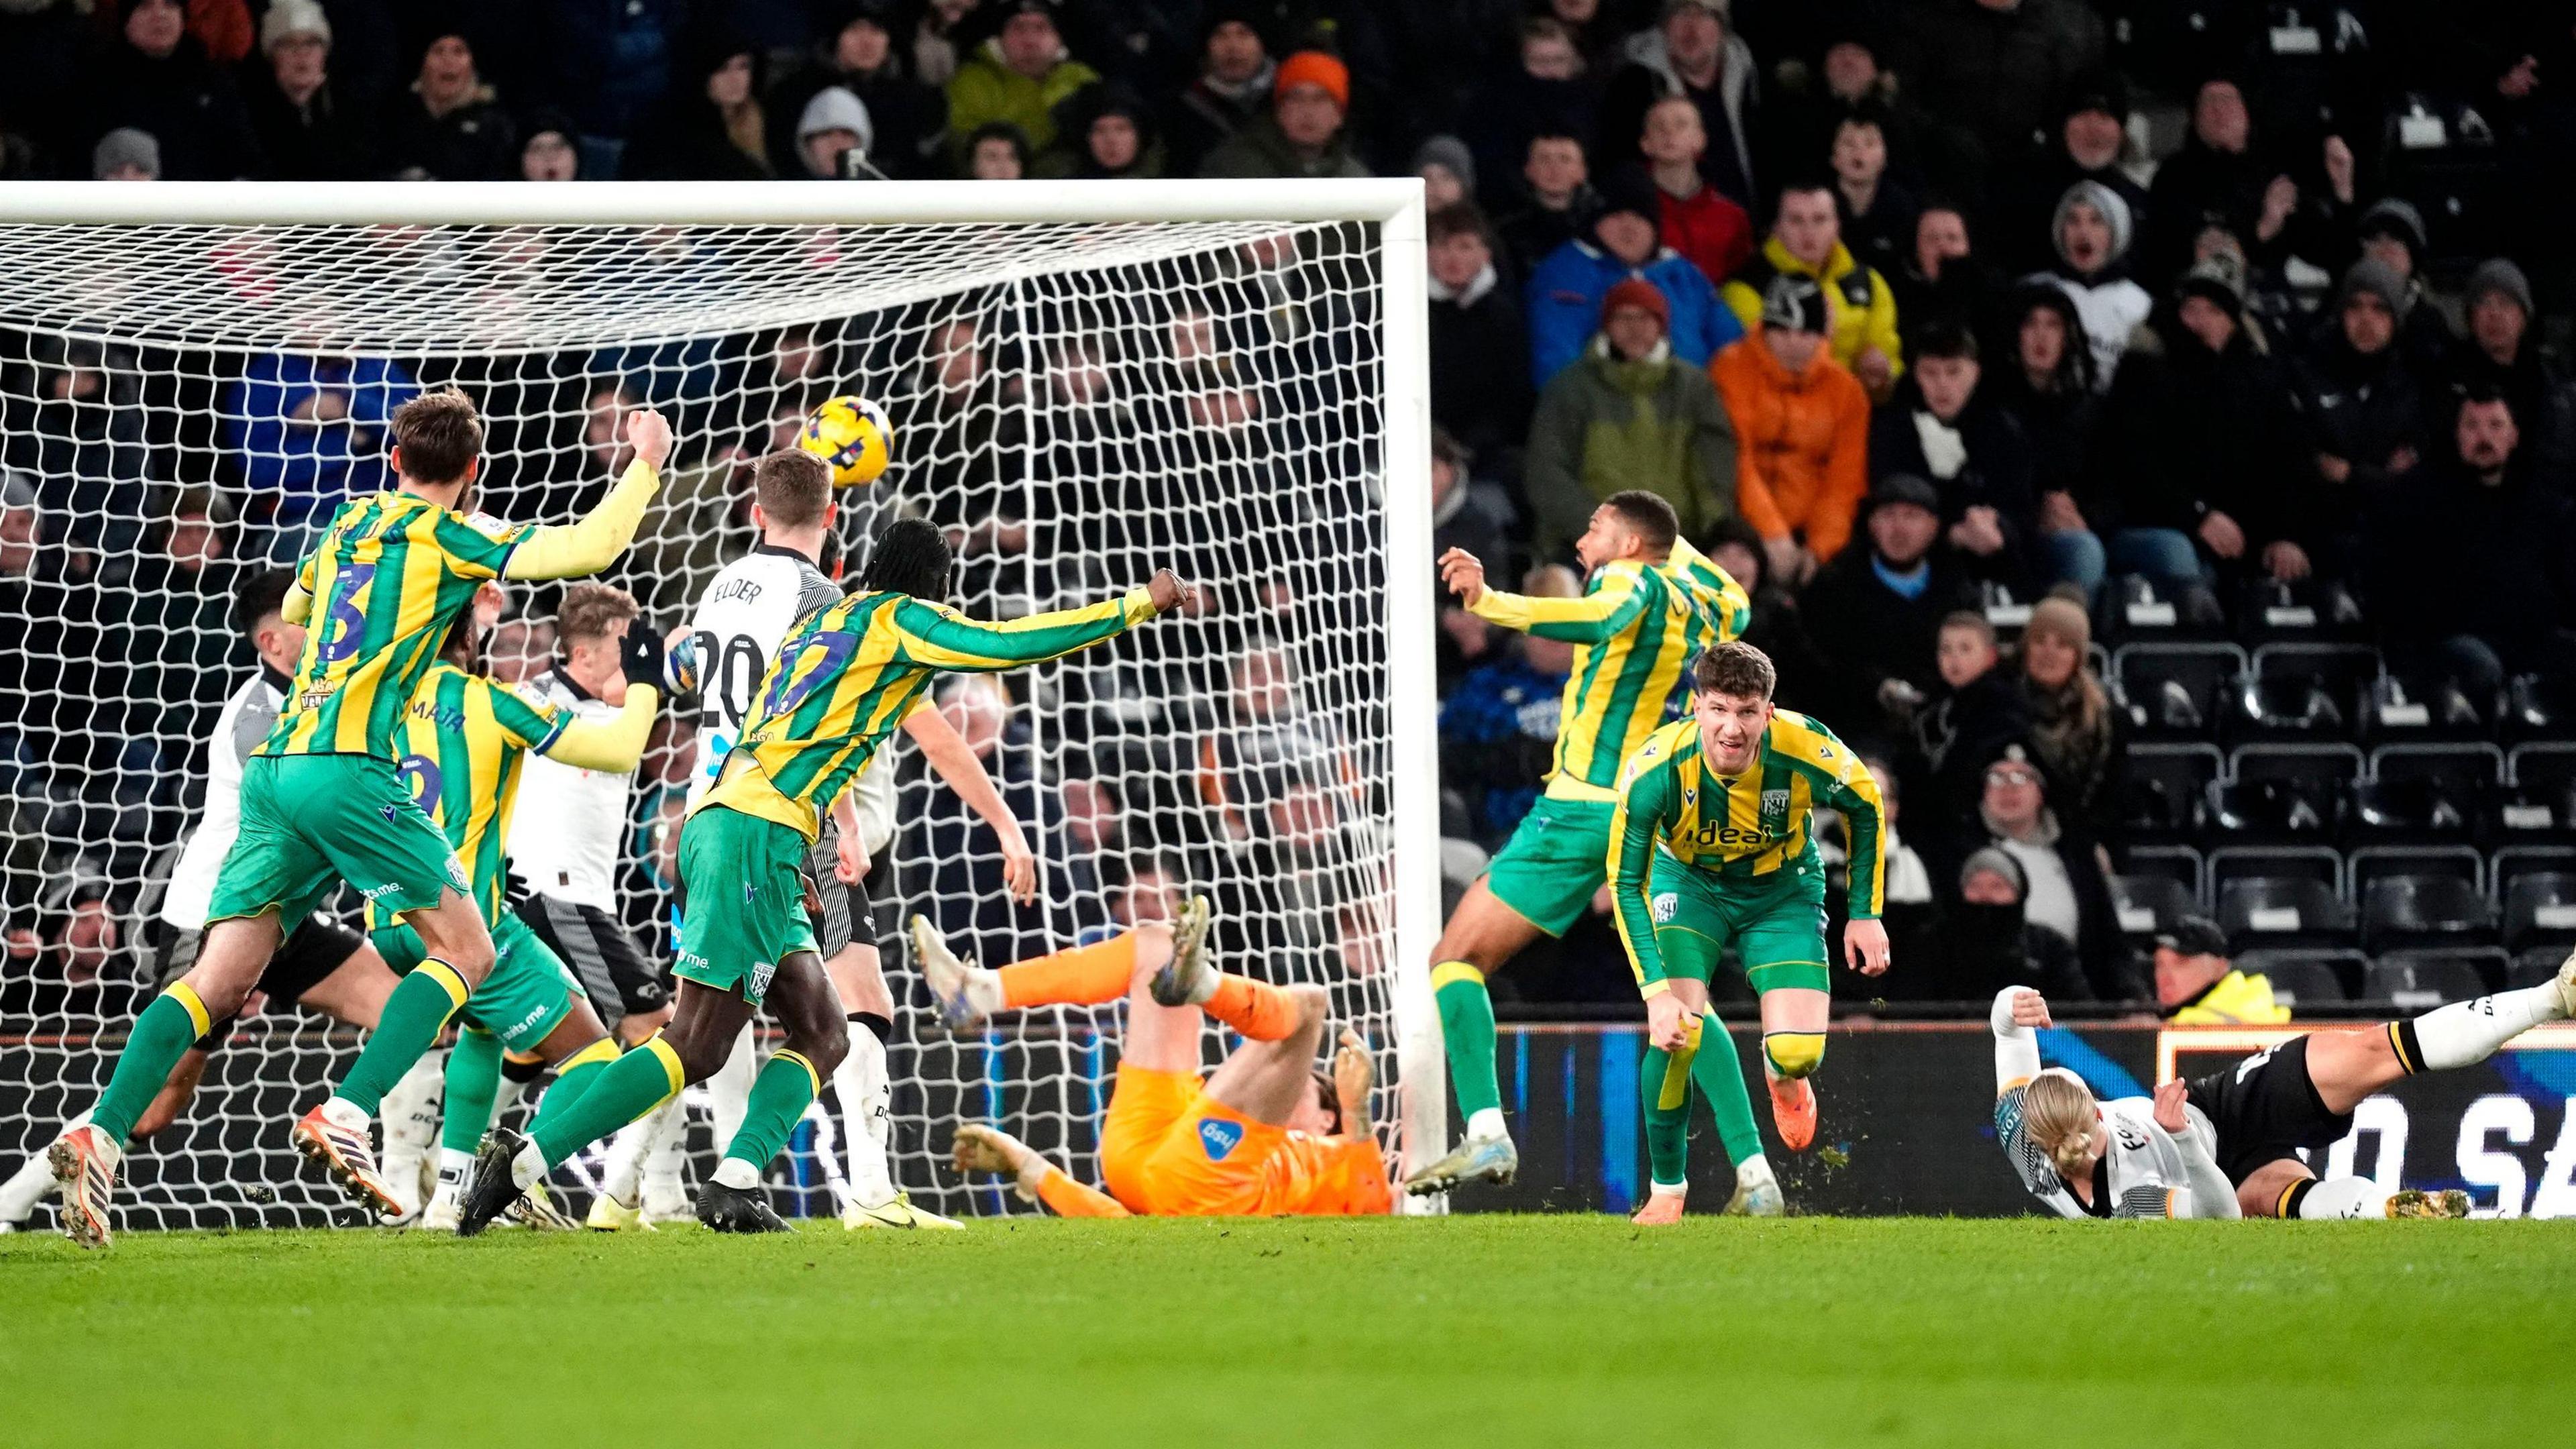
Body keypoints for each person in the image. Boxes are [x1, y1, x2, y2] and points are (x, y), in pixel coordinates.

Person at [47, 388, 673, 1249]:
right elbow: (598, 543)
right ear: (473, 472)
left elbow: (300, 612)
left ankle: (102, 1131)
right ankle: (347, 1109)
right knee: (471, 949)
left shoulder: (344, 523)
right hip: (349, 772)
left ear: (392, 462)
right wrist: (645, 458)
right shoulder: (455, 537)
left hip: (277, 772)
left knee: (218, 983)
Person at [453, 521, 1191, 1234]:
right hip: (754, 833)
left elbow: (778, 731)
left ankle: (734, 1184)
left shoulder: (822, 632)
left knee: (824, 1030)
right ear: (931, 590)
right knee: (696, 1045)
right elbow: (1004, 645)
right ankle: (524, 1163)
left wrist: (797, 846)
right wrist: (1136, 605)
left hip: (746, 827)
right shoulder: (898, 622)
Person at [598, 452, 1035, 1232]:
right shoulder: (835, 608)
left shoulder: (721, 586)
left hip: (706, 815)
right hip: (796, 825)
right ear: (832, 517)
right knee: (856, 1004)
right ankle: (865, 1190)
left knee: (703, 1026)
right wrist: (854, 827)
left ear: (755, 511)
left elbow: (693, 681)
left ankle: (623, 1184)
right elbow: (894, 731)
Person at [0, 570, 409, 1232]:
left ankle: (413, 1196)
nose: (326, 626)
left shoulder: (319, 697)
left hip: (287, 914)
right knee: (162, 1105)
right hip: (216, 914)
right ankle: (16, 1200)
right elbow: (316, 816)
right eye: (309, 617)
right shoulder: (258, 719)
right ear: (274, 641)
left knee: (412, 1014)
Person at [1406, 492, 1748, 1195]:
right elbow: (1738, 605)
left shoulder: (1626, 580)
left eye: (1596, 527)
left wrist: (1491, 601)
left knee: (1456, 959)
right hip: (1661, 813)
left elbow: (1603, 615)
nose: (1583, 537)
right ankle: (1756, 1173)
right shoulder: (1708, 598)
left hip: (1583, 809)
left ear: (1630, 540)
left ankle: (1487, 1135)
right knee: (1687, 997)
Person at [384, 594, 665, 1231]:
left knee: (499, 1037)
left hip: (426, 907)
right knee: (638, 1037)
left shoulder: (409, 699)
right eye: (626, 643)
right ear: (586, 652)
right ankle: (557, 1180)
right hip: (545, 896)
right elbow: (621, 742)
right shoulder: (526, 700)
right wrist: (649, 679)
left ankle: (446, 1184)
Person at [1612, 643, 1890, 1224]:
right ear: (1694, 708)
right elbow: (1625, 881)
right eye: (1718, 709)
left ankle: (1782, 1074)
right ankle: (1668, 1191)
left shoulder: (1806, 749)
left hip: (1781, 893)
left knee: (1797, 1053)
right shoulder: (1655, 770)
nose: (1731, 729)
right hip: (1688, 887)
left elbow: (1865, 804)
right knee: (1675, 1034)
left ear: (1769, 711)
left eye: (1746, 711)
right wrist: (1656, 995)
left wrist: (1864, 912)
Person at [1987, 965, 2576, 1217]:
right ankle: (2554, 995)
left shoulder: (2021, 1132)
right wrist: (2185, 1144)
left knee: (2361, 1055)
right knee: (2273, 1200)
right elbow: (2217, 1219)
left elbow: (2006, 1028)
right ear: (2094, 1108)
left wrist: (2012, 1001)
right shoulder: (2130, 1204)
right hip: (2203, 1152)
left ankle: (2557, 996)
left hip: (2220, 1114)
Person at [925, 904, 1391, 1218]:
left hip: (1209, 1182)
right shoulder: (1253, 1133)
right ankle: (976, 992)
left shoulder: (1331, 1158)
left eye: (1299, 1081)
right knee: (1157, 945)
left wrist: (1357, 1112)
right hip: (1150, 1150)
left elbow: (1378, 1206)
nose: (1282, 1079)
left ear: (1326, 1115)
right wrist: (1030, 1168)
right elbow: (1132, 1233)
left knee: (1309, 1007)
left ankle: (1204, 986)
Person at [2371, 389, 2576, 708]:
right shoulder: (2420, 500)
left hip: (2529, 635)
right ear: (2457, 436)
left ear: (2514, 436)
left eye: (2495, 426)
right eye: (2472, 426)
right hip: (2451, 637)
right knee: (2479, 667)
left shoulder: (2544, 504)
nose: (2484, 437)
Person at [1523, 278, 1739, 557]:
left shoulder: (1693, 388)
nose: (1634, 328)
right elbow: (1547, 475)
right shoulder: (1569, 389)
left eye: (1644, 318)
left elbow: (1714, 473)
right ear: (1607, 325)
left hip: (1676, 548)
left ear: (1661, 325)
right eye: (1623, 318)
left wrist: (1713, 537)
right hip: (1588, 550)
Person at [1710, 275, 1871, 586]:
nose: (1794, 342)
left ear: (1821, 335)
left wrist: (1820, 547)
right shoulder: (1730, 369)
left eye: (1805, 332)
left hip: (1811, 531)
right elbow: (1736, 459)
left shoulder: (1846, 390)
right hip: (1742, 526)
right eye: (1782, 331)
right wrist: (1771, 534)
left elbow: (1845, 481)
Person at [1523, 170, 1740, 388]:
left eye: (1640, 218)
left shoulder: (1684, 275)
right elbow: (1556, 363)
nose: (1629, 227)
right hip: (1604, 412)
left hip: (1690, 407)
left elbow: (1733, 348)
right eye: (1617, 216)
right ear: (1595, 222)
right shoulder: (1564, 274)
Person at [1800, 474, 1978, 733]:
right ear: (1872, 524)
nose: (1900, 528)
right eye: (1889, 515)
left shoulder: (1958, 590)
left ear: (1934, 527)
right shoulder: (1834, 586)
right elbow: (1819, 667)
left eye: (1912, 516)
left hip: (1942, 724)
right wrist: (1877, 688)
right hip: (1853, 726)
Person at [2286, 260, 2428, 584]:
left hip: (2390, 544)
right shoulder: (2304, 377)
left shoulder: (2411, 390)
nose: (2366, 320)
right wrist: (2377, 477)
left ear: (2395, 321)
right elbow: (2299, 466)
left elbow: (2412, 488)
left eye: (2379, 309)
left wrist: (2349, 473)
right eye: (2356, 307)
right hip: (2315, 538)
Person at [1868, 323, 2037, 594]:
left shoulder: (2003, 431)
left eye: (1954, 372)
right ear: (1916, 375)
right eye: (1931, 373)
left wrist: (1997, 528)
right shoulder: (1894, 431)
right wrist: (1952, 534)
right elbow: (1885, 502)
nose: (1943, 384)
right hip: (1915, 557)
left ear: (1975, 373)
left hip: (1991, 555)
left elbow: (2021, 510)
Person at [1975, 741, 2132, 1001]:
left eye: (2021, 776)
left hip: (2072, 1001)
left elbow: (2109, 941)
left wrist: (2132, 998)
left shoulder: (2077, 857)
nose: (2009, 788)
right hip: (1990, 1007)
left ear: (2041, 792)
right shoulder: (1962, 857)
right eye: (1997, 777)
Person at [1720, 180, 1904, 398]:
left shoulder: (1868, 283)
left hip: (1859, 408)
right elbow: (1764, 367)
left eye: (1820, 220)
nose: (1809, 232)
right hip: (1784, 412)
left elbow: (1888, 356)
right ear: (1777, 228)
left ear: (1837, 225)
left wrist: (1882, 376)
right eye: (1796, 221)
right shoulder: (1747, 288)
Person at [1598, 0, 1760, 212]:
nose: (1691, 29)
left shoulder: (1751, 80)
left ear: (1722, 29)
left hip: (1744, 224)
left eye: (1704, 15)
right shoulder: (1634, 86)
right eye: (1680, 13)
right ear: (1663, 27)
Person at [1426, 203, 1534, 472]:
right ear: (1426, 252)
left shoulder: (1503, 315)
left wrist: (1474, 445)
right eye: (1443, 245)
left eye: (1464, 246)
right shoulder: (1394, 307)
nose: (1453, 257)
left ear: (1485, 255)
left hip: (1485, 456)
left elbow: (1514, 398)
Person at [944, 0, 1097, 174]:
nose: (1030, 41)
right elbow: (964, 147)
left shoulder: (1081, 81)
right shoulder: (973, 82)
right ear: (1000, 39)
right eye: (1018, 29)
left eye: (1041, 29)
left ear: (1058, 39)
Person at [2036, 180, 2152, 393]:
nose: (2083, 232)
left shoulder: (2140, 305)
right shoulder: (2036, 291)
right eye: (2073, 220)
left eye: (2096, 221)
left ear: (2117, 232)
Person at [2015, 596, 2116, 835]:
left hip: (2076, 834)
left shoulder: (2102, 716)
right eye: (2039, 641)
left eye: (2062, 645)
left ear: (2078, 655)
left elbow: (2109, 798)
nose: (2048, 653)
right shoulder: (2001, 703)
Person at [242, 1, 373, 180]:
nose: (302, 53)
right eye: (288, 44)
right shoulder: (251, 111)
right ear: (272, 55)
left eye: (312, 43)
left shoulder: (350, 109)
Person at [1635, 95, 1754, 288]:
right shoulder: (1631, 213)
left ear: (1700, 140)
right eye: (1659, 126)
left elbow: (1742, 285)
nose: (1669, 133)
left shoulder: (1731, 216)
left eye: (1680, 124)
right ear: (1645, 143)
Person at [1198, 49, 1368, 180]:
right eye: (1296, 98)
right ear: (1279, 110)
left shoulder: (1355, 179)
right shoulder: (1234, 169)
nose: (1307, 110)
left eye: (1320, 99)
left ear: (1339, 115)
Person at [382, 34, 517, 181]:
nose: (448, 60)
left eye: (459, 51)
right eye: (438, 51)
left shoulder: (494, 126)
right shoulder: (394, 118)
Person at [1162, 8, 1274, 175]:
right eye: (1221, 36)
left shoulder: (1285, 101)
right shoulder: (1181, 110)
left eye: (1244, 34)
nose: (1233, 46)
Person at [1492, 131, 1597, 280]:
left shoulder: (1600, 228)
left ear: (1582, 172)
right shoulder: (1506, 233)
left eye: (1565, 159)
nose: (1554, 168)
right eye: (1544, 159)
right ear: (1528, 170)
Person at [2153, 916, 2288, 1025]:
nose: (2165, 977)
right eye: (2159, 964)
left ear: (2221, 965)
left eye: (2181, 962)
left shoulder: (2242, 1014)